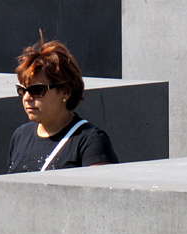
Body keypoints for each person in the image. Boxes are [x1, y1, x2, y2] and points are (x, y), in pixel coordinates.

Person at [8, 35, 118, 173]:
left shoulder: (90, 141)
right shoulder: (20, 136)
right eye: (22, 90)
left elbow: (100, 192)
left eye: (37, 90)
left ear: (65, 92)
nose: (27, 97)